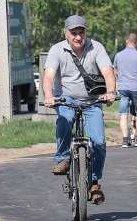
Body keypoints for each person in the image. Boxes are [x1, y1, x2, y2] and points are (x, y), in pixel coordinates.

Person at [42, 15, 116, 205]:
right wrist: (49, 96)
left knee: (99, 141)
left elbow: (108, 71)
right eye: (73, 33)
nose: (77, 37)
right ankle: (62, 159)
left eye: (81, 32)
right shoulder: (56, 50)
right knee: (64, 122)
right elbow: (48, 76)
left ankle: (94, 182)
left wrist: (111, 92)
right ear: (66, 34)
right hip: (66, 98)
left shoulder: (96, 47)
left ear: (86, 32)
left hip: (92, 100)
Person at [113, 32, 137, 147]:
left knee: (123, 113)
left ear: (126, 41)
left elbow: (115, 72)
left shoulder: (118, 55)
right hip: (136, 88)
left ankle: (125, 140)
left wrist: (119, 80)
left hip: (123, 88)